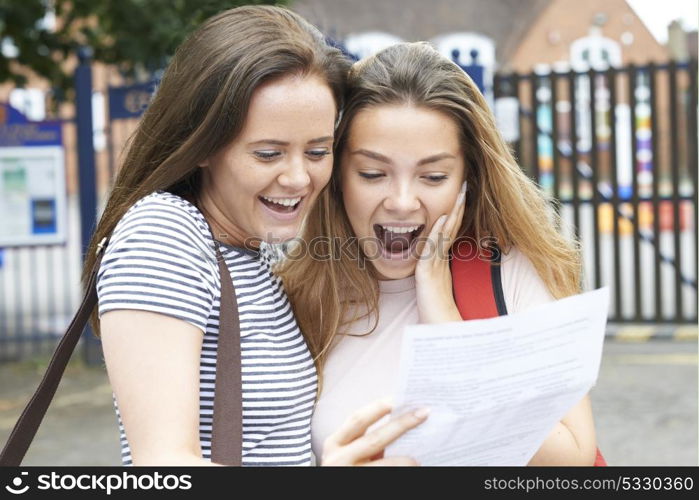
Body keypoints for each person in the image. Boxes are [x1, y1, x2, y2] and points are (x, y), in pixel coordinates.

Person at [84, 6, 425, 467]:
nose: (298, 178)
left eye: (318, 151)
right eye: (268, 154)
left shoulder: (247, 256)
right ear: (203, 144)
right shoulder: (164, 233)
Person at [278, 42, 599, 466]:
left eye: (433, 176)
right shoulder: (297, 294)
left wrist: (444, 319)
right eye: (372, 173)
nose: (402, 201)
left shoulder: (510, 273)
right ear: (337, 177)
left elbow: (573, 460)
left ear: (468, 178)